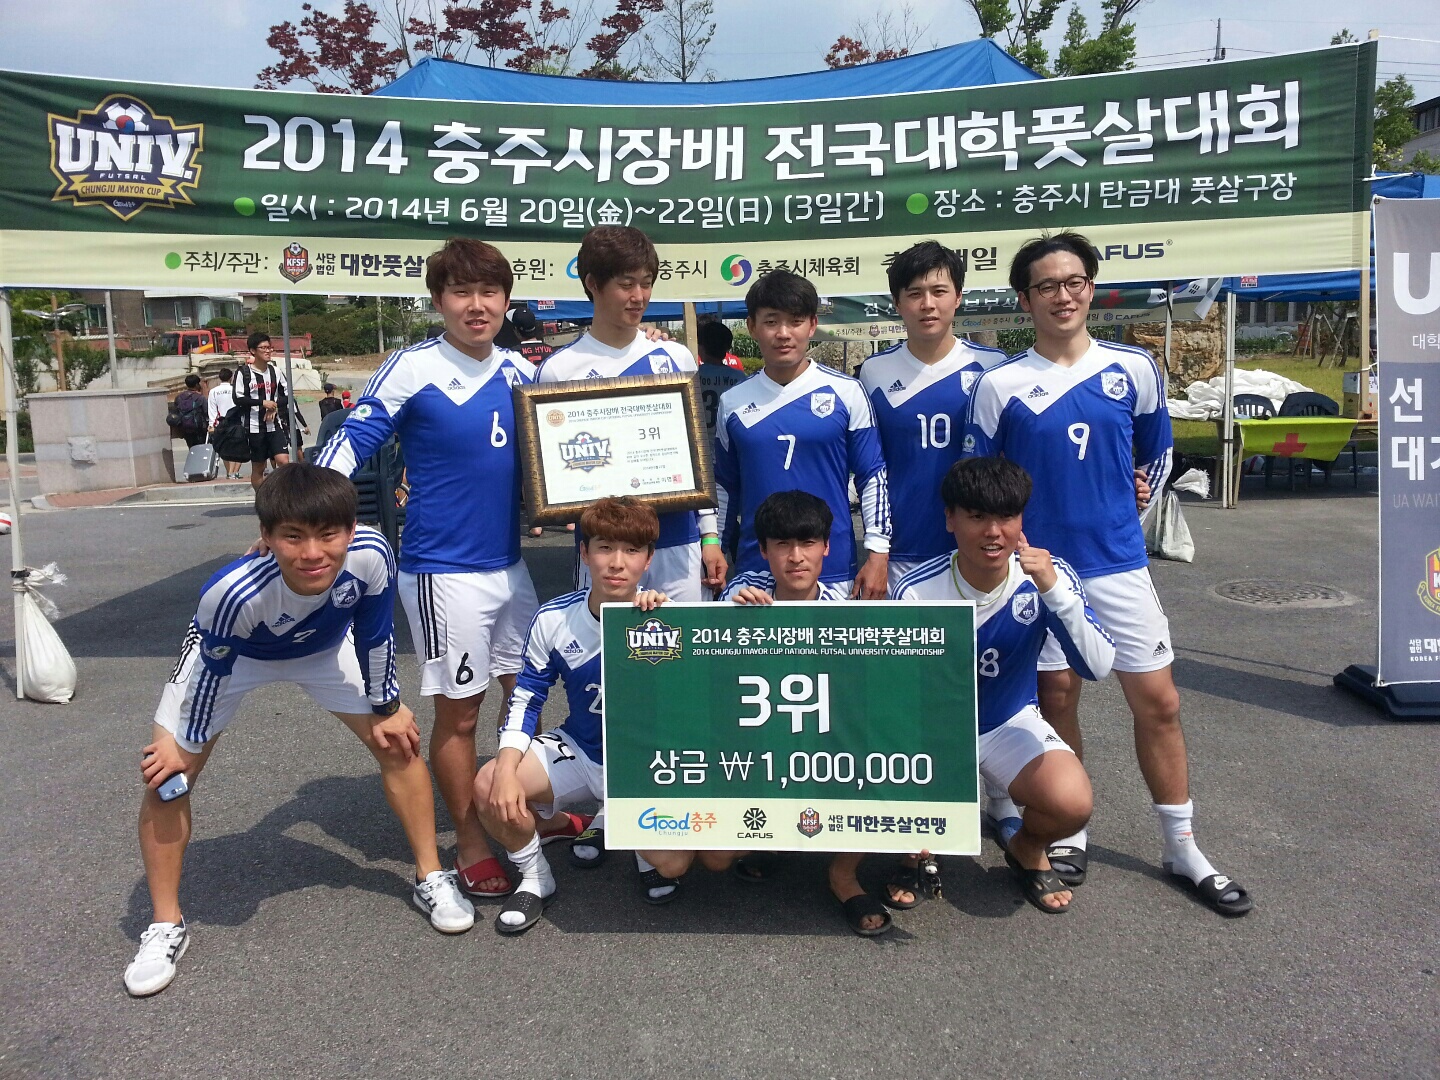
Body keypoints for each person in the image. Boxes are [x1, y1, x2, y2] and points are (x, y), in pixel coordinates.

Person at [963, 231, 1251, 916]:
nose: (1061, 296)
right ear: (1025, 299)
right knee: (1058, 697)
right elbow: (982, 482)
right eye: (1045, 286)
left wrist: (1132, 504)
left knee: (1160, 702)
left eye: (1073, 282)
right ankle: (1072, 832)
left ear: (1091, 288)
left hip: (1118, 565)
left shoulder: (1134, 367)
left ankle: (1182, 846)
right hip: (1039, 571)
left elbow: (1157, 452)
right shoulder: (998, 385)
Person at [125, 464, 474, 998]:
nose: (312, 553)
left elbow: (376, 633)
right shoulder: (232, 593)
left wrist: (388, 705)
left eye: (328, 534)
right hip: (235, 660)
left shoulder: (373, 554)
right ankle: (165, 924)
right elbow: (211, 670)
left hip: (323, 650)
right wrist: (182, 745)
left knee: (398, 743)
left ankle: (431, 876)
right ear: (265, 536)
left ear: (351, 530)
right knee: (167, 779)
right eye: (293, 536)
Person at [315, 238, 561, 901]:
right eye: (461, 292)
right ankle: (471, 840)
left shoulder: (520, 370)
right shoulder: (412, 366)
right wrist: (306, 512)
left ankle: (524, 809)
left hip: (510, 566)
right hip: (442, 571)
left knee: (528, 695)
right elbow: (353, 439)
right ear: (438, 301)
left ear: (506, 301)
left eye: (489, 292)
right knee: (461, 715)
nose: (477, 306)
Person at [894, 458, 1107, 914]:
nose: (994, 532)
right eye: (977, 517)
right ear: (950, 519)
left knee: (1071, 802)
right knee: (908, 834)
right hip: (931, 734)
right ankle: (910, 853)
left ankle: (1027, 847)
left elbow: (1098, 665)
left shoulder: (1049, 576)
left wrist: (1054, 592)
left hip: (1004, 721)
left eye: (1007, 517)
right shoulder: (916, 589)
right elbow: (894, 693)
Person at [474, 497, 692, 933]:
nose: (617, 563)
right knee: (489, 783)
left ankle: (619, 821)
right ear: (584, 553)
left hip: (649, 765)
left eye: (631, 550)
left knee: (671, 863)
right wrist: (506, 766)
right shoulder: (554, 618)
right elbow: (526, 697)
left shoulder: (671, 617)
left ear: (649, 559)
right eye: (604, 548)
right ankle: (536, 877)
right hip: (582, 749)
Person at [713, 491, 898, 936]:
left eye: (808, 543)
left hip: (830, 746)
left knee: (883, 758)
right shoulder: (740, 602)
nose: (796, 557)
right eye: (782, 544)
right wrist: (735, 623)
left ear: (826, 546)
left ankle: (843, 875)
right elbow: (710, 689)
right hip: (761, 747)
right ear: (763, 550)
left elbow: (874, 704)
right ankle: (773, 839)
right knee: (715, 858)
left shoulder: (849, 611)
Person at [537, 226, 726, 604]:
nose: (639, 296)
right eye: (626, 284)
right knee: (605, 640)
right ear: (592, 283)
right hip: (605, 551)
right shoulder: (560, 369)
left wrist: (710, 535)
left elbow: (697, 457)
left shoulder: (675, 357)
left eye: (646, 283)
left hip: (678, 541)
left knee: (681, 639)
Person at [714, 269, 891, 599]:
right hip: (755, 571)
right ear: (752, 326)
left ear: (812, 325)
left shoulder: (847, 392)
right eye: (771, 322)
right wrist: (714, 545)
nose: (783, 334)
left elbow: (873, 475)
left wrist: (878, 552)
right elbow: (724, 485)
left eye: (795, 321)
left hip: (833, 568)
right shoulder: (733, 402)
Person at [858, 241, 1006, 595]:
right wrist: (877, 548)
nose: (927, 304)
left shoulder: (992, 366)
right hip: (901, 550)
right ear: (897, 303)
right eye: (915, 293)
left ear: (958, 297)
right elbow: (871, 466)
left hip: (978, 549)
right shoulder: (874, 372)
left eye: (939, 291)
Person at [233, 333, 294, 492]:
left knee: (284, 461)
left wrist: (274, 406)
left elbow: (288, 395)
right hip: (254, 427)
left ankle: (283, 496)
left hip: (274, 425)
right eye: (264, 348)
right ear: (253, 351)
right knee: (259, 467)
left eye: (269, 347)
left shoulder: (275, 371)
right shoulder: (244, 373)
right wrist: (262, 403)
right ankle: (261, 497)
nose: (268, 351)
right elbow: (238, 398)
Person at [696, 320, 746, 444]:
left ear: (701, 347)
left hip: (700, 443)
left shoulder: (693, 377)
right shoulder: (739, 377)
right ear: (727, 348)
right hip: (729, 443)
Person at [207, 367, 242, 480]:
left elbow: (212, 409)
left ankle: (229, 472)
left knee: (224, 448)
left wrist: (212, 424)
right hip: (236, 420)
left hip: (221, 422)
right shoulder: (236, 390)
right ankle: (234, 472)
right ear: (231, 377)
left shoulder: (213, 391)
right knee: (238, 447)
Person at [171, 374, 209, 449]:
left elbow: (176, 412)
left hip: (185, 428)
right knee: (201, 448)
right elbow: (207, 412)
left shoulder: (179, 397)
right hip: (199, 429)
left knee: (191, 447)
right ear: (196, 385)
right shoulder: (200, 398)